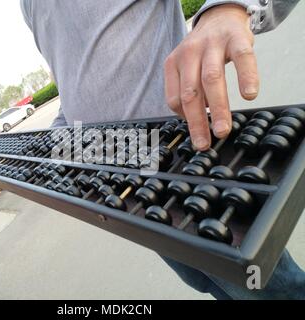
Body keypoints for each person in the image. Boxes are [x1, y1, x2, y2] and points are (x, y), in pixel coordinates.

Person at [20, 0, 304, 299]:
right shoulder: (29, 5)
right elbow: (72, 81)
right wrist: (55, 139)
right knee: (207, 282)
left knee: (268, 289)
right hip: (123, 188)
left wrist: (227, 7)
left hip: (181, 156)